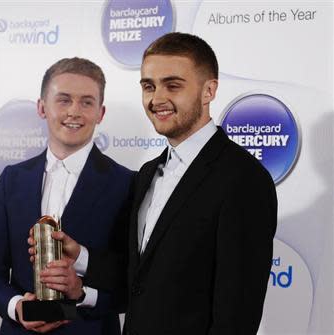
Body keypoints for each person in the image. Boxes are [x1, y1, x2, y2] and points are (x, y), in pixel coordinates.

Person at [35, 33, 277, 335]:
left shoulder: (243, 179)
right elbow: (142, 279)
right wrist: (80, 255)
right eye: (148, 86)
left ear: (209, 91)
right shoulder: (149, 173)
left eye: (173, 85)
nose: (157, 98)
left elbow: (237, 312)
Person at [0, 57, 134, 335]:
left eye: (86, 102)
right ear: (41, 107)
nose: (74, 111)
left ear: (101, 113)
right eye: (63, 99)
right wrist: (15, 306)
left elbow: (134, 282)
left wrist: (82, 291)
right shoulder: (13, 179)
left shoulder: (127, 183)